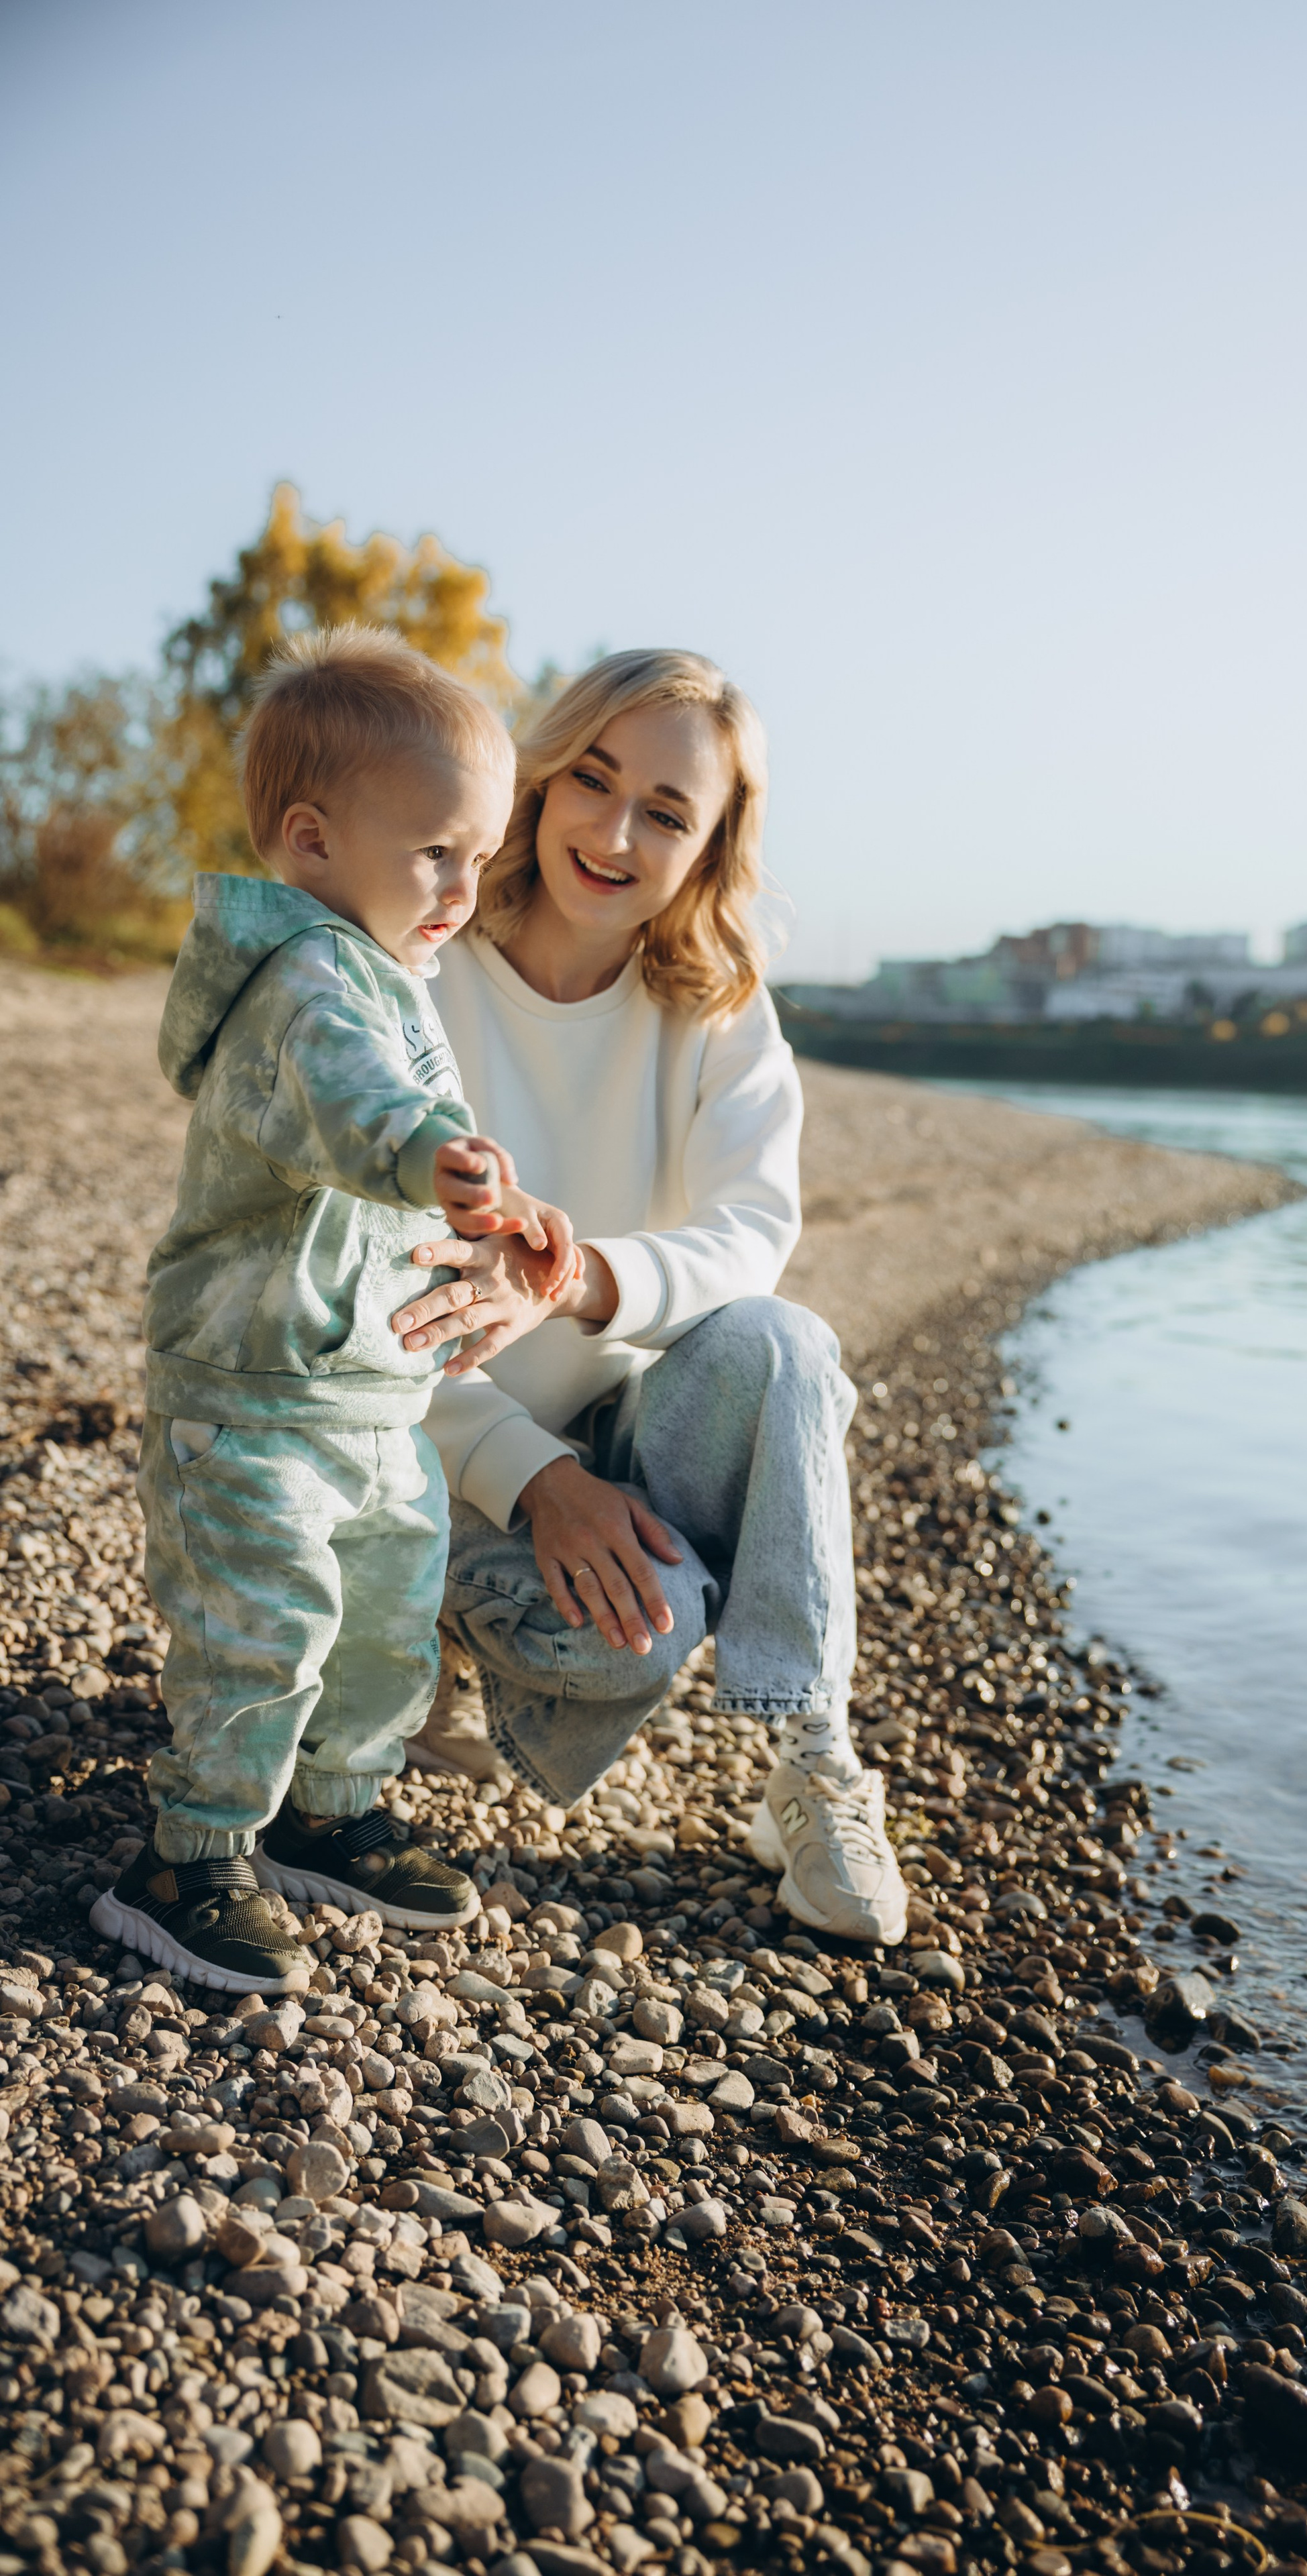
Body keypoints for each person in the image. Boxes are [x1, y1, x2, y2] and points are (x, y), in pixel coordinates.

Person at [387, 649, 910, 1945]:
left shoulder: (719, 1011)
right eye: (593, 781)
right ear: (542, 778)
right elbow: (355, 1301)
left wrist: (577, 1280)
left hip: (620, 1428)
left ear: (712, 843)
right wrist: (532, 1480)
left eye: (667, 812)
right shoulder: (419, 969)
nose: (614, 834)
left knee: (786, 1347)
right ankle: (419, 1643)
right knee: (635, 1635)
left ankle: (812, 1756)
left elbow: (752, 1237)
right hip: (401, 1448)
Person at [95, 627, 574, 1994]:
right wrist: (431, 1154)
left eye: (479, 858)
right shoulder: (303, 984)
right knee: (267, 1618)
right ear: (310, 843)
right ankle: (184, 1860)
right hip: (251, 1389)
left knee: (382, 1607)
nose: (464, 888)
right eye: (436, 854)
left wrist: (497, 1217)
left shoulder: (384, 976)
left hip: (364, 1387)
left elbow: (414, 1166)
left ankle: (334, 1808)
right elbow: (353, 1111)